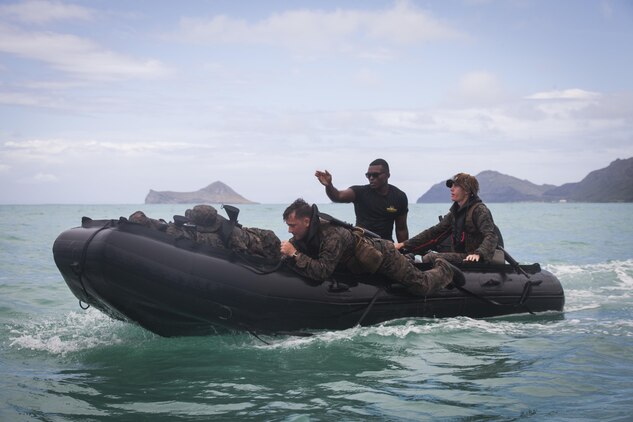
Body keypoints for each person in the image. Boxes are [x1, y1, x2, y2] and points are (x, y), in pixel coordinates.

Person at [279, 198, 464, 296]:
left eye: (292, 226)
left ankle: (443, 268)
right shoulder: (305, 234)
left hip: (384, 257)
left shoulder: (332, 235)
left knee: (420, 286)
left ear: (306, 221)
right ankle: (410, 261)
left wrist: (295, 254)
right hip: (362, 265)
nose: (289, 230)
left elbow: (321, 272)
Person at [395, 173, 498, 265]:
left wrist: (478, 254)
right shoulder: (455, 213)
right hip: (460, 254)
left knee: (429, 257)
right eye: (451, 186)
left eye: (456, 186)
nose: (451, 189)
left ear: (467, 190)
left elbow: (491, 235)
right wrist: (404, 244)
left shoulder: (479, 210)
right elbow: (434, 231)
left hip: (473, 257)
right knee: (415, 250)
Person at [315, 158, 409, 242]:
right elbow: (338, 196)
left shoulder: (399, 196)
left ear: (387, 175)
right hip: (362, 242)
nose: (371, 178)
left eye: (375, 175)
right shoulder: (359, 192)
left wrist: (405, 251)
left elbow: (401, 229)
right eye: (368, 175)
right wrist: (329, 185)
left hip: (386, 244)